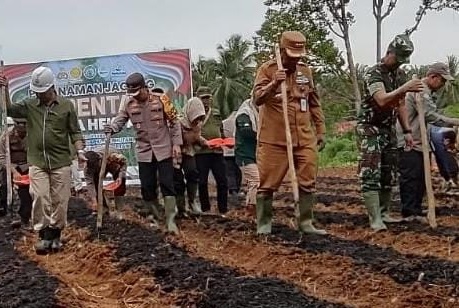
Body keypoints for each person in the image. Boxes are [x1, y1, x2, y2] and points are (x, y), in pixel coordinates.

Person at [0, 66, 86, 254]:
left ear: (51, 88)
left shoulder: (66, 106)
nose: (39, 95)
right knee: (39, 197)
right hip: (37, 162)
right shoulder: (30, 105)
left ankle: (56, 235)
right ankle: (43, 235)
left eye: (42, 92)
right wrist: (4, 90)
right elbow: (10, 110)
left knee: (60, 201)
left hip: (61, 162)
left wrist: (80, 151)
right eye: (36, 92)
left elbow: (75, 131)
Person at [253, 31, 327, 235]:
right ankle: (264, 223)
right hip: (274, 139)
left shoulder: (306, 72)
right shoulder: (267, 70)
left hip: (304, 137)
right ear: (282, 51)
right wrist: (274, 83)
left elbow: (314, 103)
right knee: (267, 183)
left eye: (299, 56)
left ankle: (305, 222)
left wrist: (320, 130)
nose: (296, 60)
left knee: (308, 180)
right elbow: (257, 99)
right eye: (292, 55)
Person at [356, 34, 424, 231]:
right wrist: (404, 88)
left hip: (389, 128)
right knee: (371, 172)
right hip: (370, 128)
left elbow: (400, 104)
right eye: (397, 58)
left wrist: (407, 130)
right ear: (389, 53)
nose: (399, 64)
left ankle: (385, 212)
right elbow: (382, 100)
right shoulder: (374, 73)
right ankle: (375, 217)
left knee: (388, 172)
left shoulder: (399, 75)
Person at [107, 73, 182, 234]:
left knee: (167, 184)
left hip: (163, 149)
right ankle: (155, 217)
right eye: (131, 93)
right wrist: (112, 128)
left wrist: (176, 144)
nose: (135, 96)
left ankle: (170, 220)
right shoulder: (129, 103)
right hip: (144, 151)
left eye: (137, 92)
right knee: (147, 186)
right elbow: (120, 119)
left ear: (144, 87)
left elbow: (174, 122)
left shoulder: (161, 100)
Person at [396, 62, 459, 219]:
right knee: (411, 176)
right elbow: (430, 115)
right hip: (408, 139)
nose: (443, 84)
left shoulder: (427, 91)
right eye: (442, 80)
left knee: (421, 176)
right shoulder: (421, 90)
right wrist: (453, 121)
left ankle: (416, 208)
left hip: (419, 140)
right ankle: (409, 211)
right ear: (433, 77)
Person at [194, 86, 228, 214]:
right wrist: (204, 142)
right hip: (201, 152)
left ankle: (223, 209)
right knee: (202, 182)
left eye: (208, 98)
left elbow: (221, 129)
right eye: (203, 98)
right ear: (198, 99)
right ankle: (205, 208)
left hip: (217, 152)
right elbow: (192, 133)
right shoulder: (194, 114)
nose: (206, 101)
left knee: (222, 181)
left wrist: (224, 141)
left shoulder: (216, 112)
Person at [174, 97, 208, 216]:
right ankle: (180, 206)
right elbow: (175, 139)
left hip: (188, 151)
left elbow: (196, 137)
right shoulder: (178, 123)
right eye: (196, 116)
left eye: (199, 117)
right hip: (176, 153)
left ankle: (192, 201)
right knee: (177, 180)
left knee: (192, 173)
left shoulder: (197, 124)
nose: (197, 120)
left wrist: (204, 142)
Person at [0, 118, 32, 228]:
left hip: (27, 165)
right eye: (19, 124)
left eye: (25, 124)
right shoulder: (6, 137)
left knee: (27, 192)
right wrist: (12, 171)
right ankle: (7, 214)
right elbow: (2, 157)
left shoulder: (33, 136)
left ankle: (25, 217)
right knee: (4, 187)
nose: (22, 126)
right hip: (11, 165)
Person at [234, 98, 259, 214]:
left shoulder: (258, 113)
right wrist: (262, 134)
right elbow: (245, 131)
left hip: (256, 154)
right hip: (245, 154)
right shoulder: (244, 113)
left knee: (256, 183)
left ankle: (251, 206)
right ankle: (251, 208)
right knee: (255, 181)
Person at [84, 147, 127, 212]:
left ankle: (120, 207)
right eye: (92, 167)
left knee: (120, 184)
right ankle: (103, 209)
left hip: (113, 165)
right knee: (96, 186)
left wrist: (120, 176)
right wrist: (94, 201)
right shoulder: (88, 168)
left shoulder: (112, 156)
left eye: (95, 166)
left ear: (99, 160)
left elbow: (124, 162)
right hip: (98, 172)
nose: (93, 168)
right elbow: (90, 184)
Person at [222, 110, 242, 206]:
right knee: (237, 171)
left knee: (230, 172)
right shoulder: (239, 122)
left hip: (226, 152)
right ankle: (236, 190)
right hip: (237, 151)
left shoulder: (224, 123)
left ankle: (232, 190)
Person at [430, 125, 458, 191]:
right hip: (441, 131)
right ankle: (450, 178)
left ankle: (450, 178)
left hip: (438, 133)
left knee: (442, 155)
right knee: (443, 155)